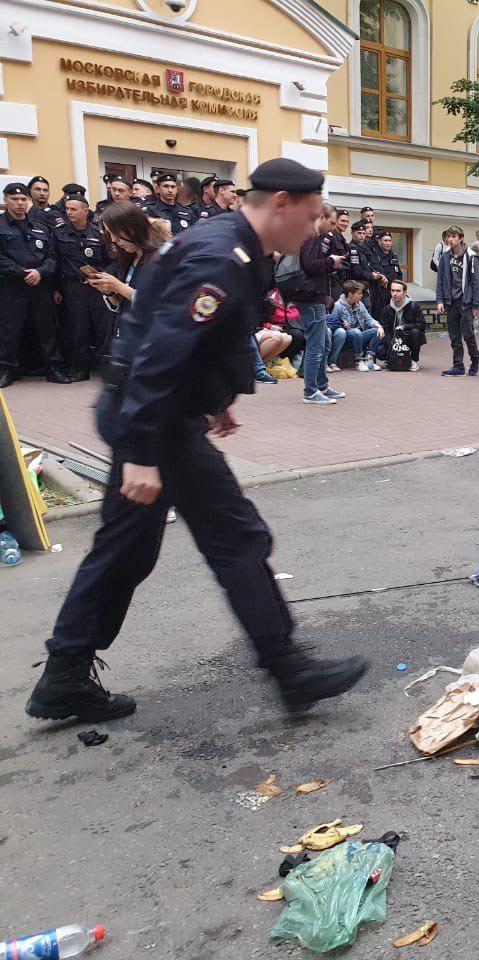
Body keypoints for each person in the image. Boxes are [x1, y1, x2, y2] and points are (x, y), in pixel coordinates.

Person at [25, 158, 367, 723]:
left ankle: (64, 676)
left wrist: (216, 401)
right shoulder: (219, 255)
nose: (312, 229)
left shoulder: (240, 250)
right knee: (236, 536)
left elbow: (210, 337)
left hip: (157, 413)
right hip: (153, 420)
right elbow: (161, 355)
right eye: (308, 217)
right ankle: (290, 671)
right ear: (280, 202)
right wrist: (140, 453)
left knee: (124, 550)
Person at [0, 182, 70, 386]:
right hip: (12, 287)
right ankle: (7, 369)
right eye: (15, 199)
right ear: (5, 200)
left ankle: (53, 367)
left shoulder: (40, 226)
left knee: (47, 329)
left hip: (40, 287)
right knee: (9, 330)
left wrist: (40, 272)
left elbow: (52, 256)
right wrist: (22, 273)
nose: (20, 203)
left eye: (23, 199)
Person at [52, 196, 115, 380]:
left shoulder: (99, 233)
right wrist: (56, 289)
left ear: (85, 211)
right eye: (67, 209)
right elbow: (55, 261)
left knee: (103, 327)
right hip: (72, 287)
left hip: (97, 286)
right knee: (78, 328)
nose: (69, 212)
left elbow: (111, 261)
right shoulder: (59, 233)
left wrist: (102, 275)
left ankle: (105, 366)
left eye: (73, 209)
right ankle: (80, 367)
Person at [294, 202, 346, 404]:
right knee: (316, 345)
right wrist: (331, 261)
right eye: (331, 222)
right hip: (309, 297)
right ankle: (310, 391)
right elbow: (309, 265)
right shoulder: (310, 235)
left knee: (324, 342)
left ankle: (322, 386)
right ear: (321, 217)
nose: (333, 227)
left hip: (314, 296)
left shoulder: (311, 235)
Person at [435, 224, 479, 376]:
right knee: (454, 335)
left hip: (466, 302)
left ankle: (475, 359)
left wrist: (476, 305)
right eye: (448, 237)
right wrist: (440, 300)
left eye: (454, 237)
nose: (450, 239)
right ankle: (458, 366)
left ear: (461, 239)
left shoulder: (470, 256)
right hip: (451, 301)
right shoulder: (445, 257)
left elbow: (476, 282)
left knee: (468, 334)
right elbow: (440, 280)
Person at [328, 281, 383, 371]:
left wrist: (379, 326)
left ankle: (369, 359)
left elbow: (369, 319)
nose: (362, 296)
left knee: (377, 331)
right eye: (359, 293)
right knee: (355, 332)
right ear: (350, 294)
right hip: (345, 338)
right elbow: (332, 326)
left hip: (359, 336)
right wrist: (342, 325)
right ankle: (359, 360)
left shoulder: (360, 304)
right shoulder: (337, 306)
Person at [382, 279, 426, 371]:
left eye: (398, 291)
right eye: (392, 290)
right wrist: (391, 346)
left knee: (416, 332)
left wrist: (404, 327)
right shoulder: (387, 309)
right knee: (380, 352)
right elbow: (386, 329)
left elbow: (421, 324)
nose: (394, 294)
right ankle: (391, 358)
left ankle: (414, 360)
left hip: (409, 337)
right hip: (394, 339)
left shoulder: (414, 306)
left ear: (405, 292)